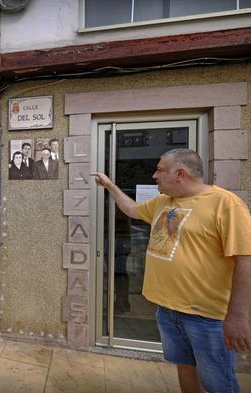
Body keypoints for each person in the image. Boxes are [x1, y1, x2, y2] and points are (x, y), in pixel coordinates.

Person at [91, 149, 251, 393]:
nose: (155, 175)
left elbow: (245, 260)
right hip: (167, 310)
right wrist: (110, 185)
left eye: (160, 170)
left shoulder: (226, 204)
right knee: (185, 368)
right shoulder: (164, 202)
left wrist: (238, 317)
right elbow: (133, 210)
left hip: (206, 316)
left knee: (218, 383)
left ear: (180, 173)